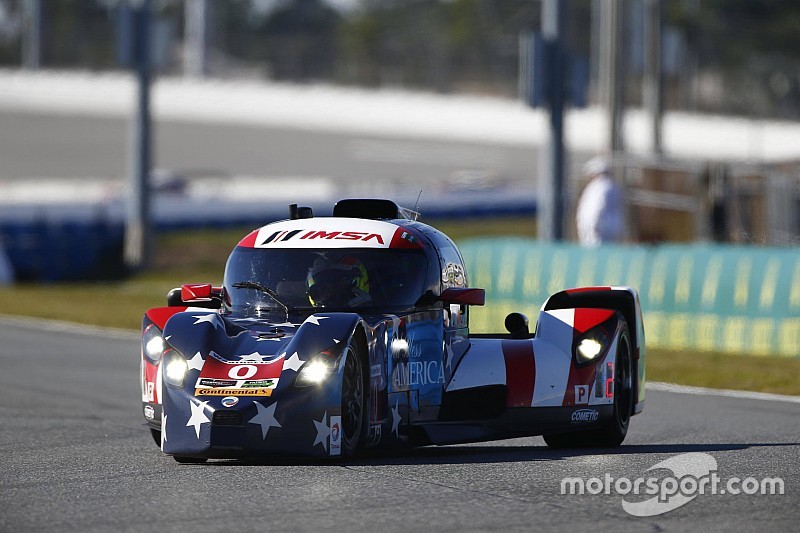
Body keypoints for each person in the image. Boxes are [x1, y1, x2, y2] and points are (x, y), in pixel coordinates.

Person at [576, 157, 624, 246]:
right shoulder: (610, 186)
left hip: (599, 227)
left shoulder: (601, 187)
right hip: (605, 226)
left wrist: (593, 223)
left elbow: (597, 208)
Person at [306, 254, 371, 307]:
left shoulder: (373, 312)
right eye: (322, 282)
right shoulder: (306, 315)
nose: (329, 289)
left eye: (338, 281)